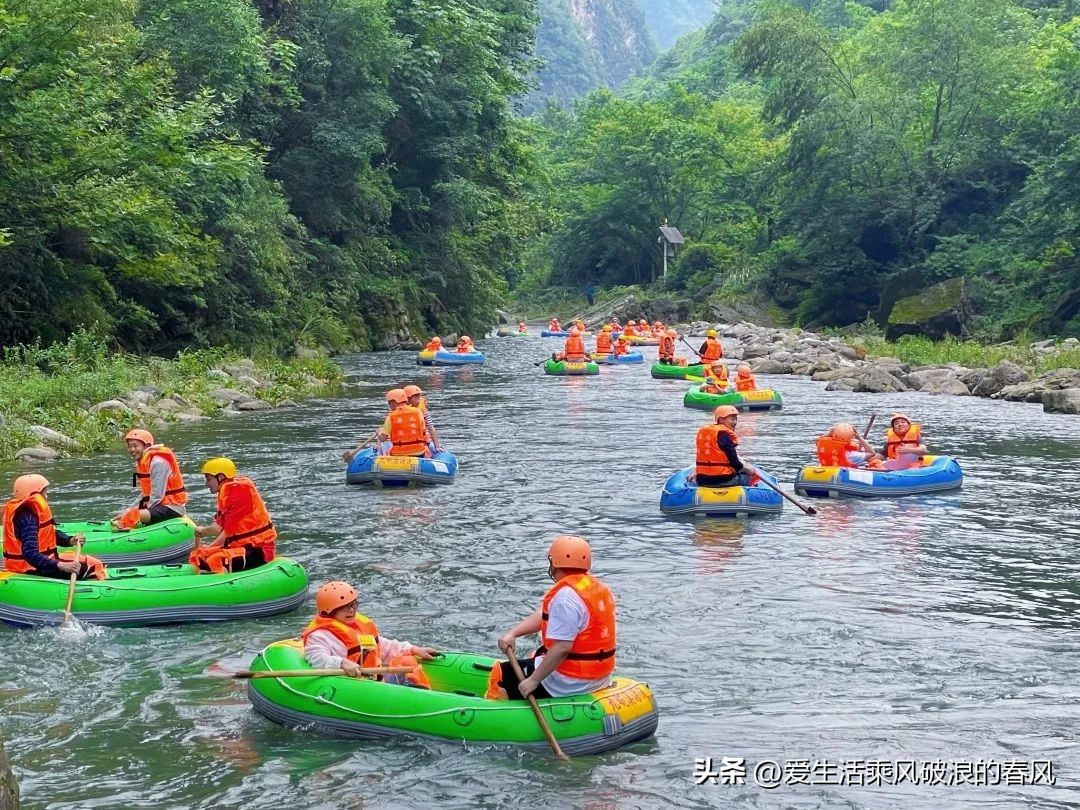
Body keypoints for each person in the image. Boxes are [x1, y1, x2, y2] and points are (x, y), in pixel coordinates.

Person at [490, 536, 616, 700]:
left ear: (555, 563)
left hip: (568, 682)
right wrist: (513, 634)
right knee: (536, 653)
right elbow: (544, 615)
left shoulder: (565, 598)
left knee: (502, 673)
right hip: (599, 677)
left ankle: (498, 714)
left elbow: (563, 647)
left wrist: (533, 681)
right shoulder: (596, 588)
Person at [303, 581, 438, 688]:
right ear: (329, 611)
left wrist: (413, 649)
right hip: (350, 687)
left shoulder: (359, 625)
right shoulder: (320, 635)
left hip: (374, 682)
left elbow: (384, 647)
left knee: (406, 661)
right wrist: (342, 663)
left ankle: (420, 695)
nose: (351, 610)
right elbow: (316, 657)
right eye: (344, 607)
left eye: (353, 605)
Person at [3, 475, 105, 580]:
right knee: (91, 568)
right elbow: (30, 554)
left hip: (41, 563)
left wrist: (70, 540)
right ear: (34, 494)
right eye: (44, 492)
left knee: (92, 562)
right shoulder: (27, 518)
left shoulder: (31, 511)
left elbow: (50, 534)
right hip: (31, 568)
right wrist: (60, 565)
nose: (46, 496)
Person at [190, 458, 276, 574]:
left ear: (220, 477)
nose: (206, 483)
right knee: (200, 556)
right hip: (242, 546)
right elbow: (228, 532)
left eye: (209, 479)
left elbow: (216, 529)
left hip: (259, 550)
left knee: (215, 560)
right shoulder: (228, 492)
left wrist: (202, 530)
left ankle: (220, 583)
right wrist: (209, 547)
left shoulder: (236, 493)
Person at [112, 429, 187, 530]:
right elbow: (146, 494)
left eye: (135, 445)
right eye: (129, 446)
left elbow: (157, 496)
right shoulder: (144, 461)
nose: (132, 449)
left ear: (146, 446)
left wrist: (136, 515)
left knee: (131, 516)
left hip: (172, 507)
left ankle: (127, 529)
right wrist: (129, 510)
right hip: (160, 505)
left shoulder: (158, 462)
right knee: (127, 513)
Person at [690, 406, 758, 487]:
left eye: (736, 419)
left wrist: (696, 472)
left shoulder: (706, 432)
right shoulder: (725, 435)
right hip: (724, 480)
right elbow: (735, 464)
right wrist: (750, 471)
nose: (735, 422)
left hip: (702, 480)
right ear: (721, 419)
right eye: (732, 419)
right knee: (748, 476)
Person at [376, 389, 431, 457]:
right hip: (419, 453)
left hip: (399, 454)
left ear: (394, 402)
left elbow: (383, 439)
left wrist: (378, 433)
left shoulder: (391, 416)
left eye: (389, 403)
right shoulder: (418, 412)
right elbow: (423, 431)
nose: (389, 406)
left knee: (386, 451)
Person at [816, 424, 883, 469]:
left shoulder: (823, 447)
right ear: (850, 437)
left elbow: (819, 440)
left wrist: (829, 434)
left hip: (827, 472)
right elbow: (872, 453)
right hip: (842, 477)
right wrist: (859, 438)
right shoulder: (852, 455)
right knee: (876, 462)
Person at [404, 384, 443, 451]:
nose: (418, 399)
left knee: (427, 438)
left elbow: (431, 428)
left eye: (419, 396)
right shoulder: (400, 411)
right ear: (407, 398)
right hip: (405, 440)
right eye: (415, 396)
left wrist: (437, 446)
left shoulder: (423, 411)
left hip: (420, 440)